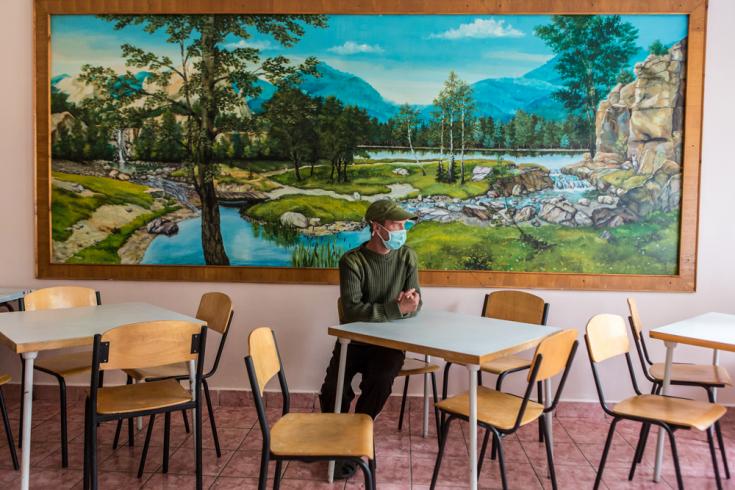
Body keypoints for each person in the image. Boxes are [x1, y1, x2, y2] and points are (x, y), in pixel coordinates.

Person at [319, 198, 422, 479]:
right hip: (354, 340)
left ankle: (356, 439)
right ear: (376, 228)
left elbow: (415, 303)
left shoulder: (407, 257)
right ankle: (333, 440)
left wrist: (410, 303)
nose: (403, 229)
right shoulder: (352, 261)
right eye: (396, 224)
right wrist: (395, 309)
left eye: (405, 224)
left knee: (381, 382)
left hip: (390, 342)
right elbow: (352, 311)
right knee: (332, 389)